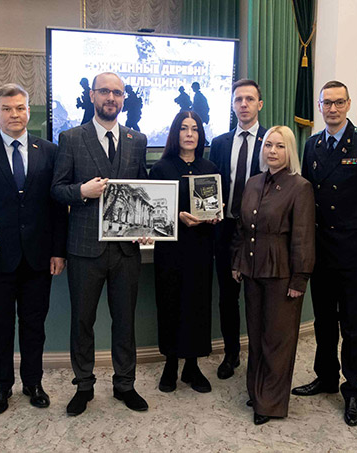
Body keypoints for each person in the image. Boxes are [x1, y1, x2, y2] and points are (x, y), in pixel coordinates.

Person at [0, 83, 68, 415]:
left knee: (35, 326)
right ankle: (1, 386)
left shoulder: (49, 151)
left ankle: (33, 383)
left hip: (38, 257)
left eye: (20, 108)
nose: (14, 114)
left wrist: (58, 251)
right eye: (7, 109)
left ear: (29, 111)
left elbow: (57, 207)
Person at [51, 72, 151, 416]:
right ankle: (84, 386)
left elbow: (143, 190)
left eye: (117, 93)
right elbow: (56, 189)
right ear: (92, 96)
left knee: (125, 321)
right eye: (105, 91)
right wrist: (81, 191)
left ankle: (125, 384)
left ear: (124, 99)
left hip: (125, 248)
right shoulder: (71, 138)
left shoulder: (137, 140)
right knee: (82, 321)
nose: (111, 98)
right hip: (84, 248)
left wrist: (147, 225)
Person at [292, 80, 357, 427]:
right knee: (323, 320)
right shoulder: (313, 144)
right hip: (320, 250)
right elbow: (306, 199)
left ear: (348, 105)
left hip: (352, 251)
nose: (332, 109)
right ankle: (326, 376)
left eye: (338, 102)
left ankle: (352, 389)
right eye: (326, 103)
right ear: (319, 107)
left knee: (352, 324)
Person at [231, 125, 315, 425]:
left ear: (289, 151)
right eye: (268, 145)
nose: (273, 151)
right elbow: (242, 228)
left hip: (282, 273)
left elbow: (303, 237)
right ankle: (257, 391)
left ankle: (270, 403)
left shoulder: (300, 187)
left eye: (280, 146)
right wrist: (237, 263)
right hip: (252, 268)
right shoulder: (253, 182)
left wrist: (299, 279)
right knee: (256, 336)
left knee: (277, 340)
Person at [149, 111, 220, 394]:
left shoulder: (210, 167)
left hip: (200, 249)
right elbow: (153, 214)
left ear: (201, 135)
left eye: (195, 129)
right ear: (175, 133)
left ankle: (192, 366)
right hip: (170, 251)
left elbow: (215, 205)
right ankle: (170, 364)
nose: (189, 134)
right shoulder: (161, 168)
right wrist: (178, 216)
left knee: (197, 306)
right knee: (170, 305)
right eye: (184, 128)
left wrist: (214, 216)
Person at [208, 79, 267, 380]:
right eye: (238, 99)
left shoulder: (271, 141)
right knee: (227, 297)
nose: (243, 104)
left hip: (260, 232)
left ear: (259, 104)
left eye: (249, 99)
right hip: (226, 229)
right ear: (232, 105)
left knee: (259, 298)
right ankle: (231, 354)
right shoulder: (219, 143)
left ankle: (260, 357)